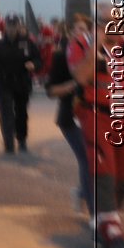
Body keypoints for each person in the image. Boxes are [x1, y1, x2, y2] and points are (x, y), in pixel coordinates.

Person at [74, 2, 124, 248]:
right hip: (95, 115)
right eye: (107, 21)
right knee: (103, 167)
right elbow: (80, 77)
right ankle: (111, 229)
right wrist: (96, 46)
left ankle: (106, 217)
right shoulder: (83, 44)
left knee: (122, 174)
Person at [47, 13, 93, 215]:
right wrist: (72, 85)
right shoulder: (60, 56)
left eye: (83, 29)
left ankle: (83, 193)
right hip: (69, 117)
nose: (79, 34)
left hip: (92, 116)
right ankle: (92, 206)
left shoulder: (94, 56)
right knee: (86, 157)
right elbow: (50, 90)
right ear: (69, 32)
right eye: (76, 30)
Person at [0, 15, 43, 155]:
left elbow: (39, 59)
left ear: (18, 26)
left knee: (21, 112)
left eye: (14, 25)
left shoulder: (27, 43)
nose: (12, 28)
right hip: (3, 83)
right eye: (9, 25)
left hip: (22, 82)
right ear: (5, 26)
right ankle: (8, 142)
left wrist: (34, 64)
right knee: (6, 113)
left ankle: (21, 139)